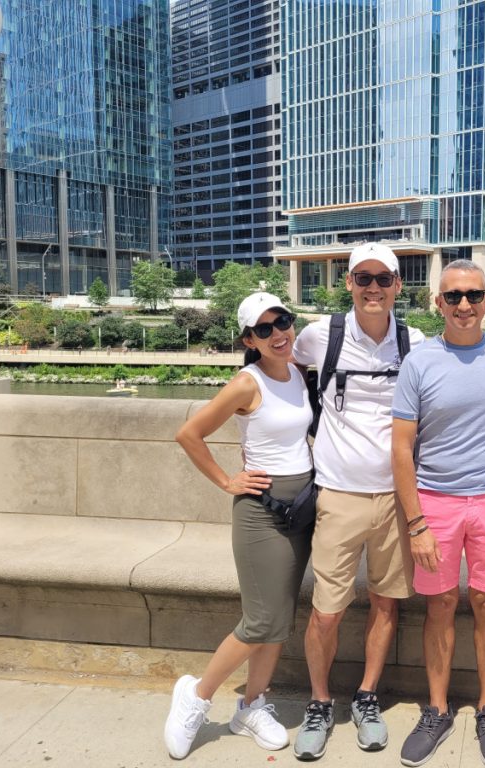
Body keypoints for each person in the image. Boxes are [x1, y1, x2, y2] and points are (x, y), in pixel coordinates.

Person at [289, 242, 425, 760]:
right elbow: (275, 368)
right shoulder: (319, 335)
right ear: (348, 283)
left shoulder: (414, 341)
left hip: (396, 498)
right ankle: (320, 701)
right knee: (326, 611)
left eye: (383, 278)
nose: (373, 288)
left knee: (386, 603)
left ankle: (367, 696)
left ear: (397, 285)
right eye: (363, 278)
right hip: (338, 493)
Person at [163, 292, 313, 760]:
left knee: (279, 621)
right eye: (264, 330)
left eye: (282, 322)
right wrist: (228, 480)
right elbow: (189, 434)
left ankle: (251, 706)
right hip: (261, 513)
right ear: (250, 340)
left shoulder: (298, 373)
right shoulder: (247, 384)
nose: (278, 334)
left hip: (300, 510)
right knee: (261, 619)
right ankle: (197, 696)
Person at [392, 259, 485, 768]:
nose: (463, 304)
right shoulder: (418, 362)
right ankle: (437, 709)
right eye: (453, 296)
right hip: (435, 500)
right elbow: (401, 449)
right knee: (440, 604)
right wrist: (416, 522)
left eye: (473, 295)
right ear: (437, 302)